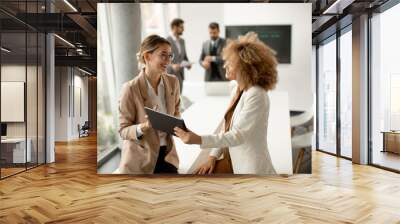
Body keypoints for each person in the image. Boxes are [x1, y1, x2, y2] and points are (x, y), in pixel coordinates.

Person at [174, 32, 278, 175]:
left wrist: (198, 139)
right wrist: (212, 156)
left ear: (244, 66)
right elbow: (226, 128)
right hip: (235, 164)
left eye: (230, 62)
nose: (225, 66)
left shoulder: (257, 94)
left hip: (252, 169)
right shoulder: (237, 88)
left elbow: (237, 135)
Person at [117, 34, 181, 174]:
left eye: (170, 56)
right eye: (163, 55)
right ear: (147, 57)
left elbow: (176, 112)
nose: (168, 61)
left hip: (168, 155)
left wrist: (177, 126)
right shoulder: (130, 88)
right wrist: (143, 127)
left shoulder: (173, 82)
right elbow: (123, 130)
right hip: (141, 159)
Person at [167, 18, 191, 93]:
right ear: (174, 27)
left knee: (179, 98)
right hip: (170, 74)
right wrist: (172, 66)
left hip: (180, 74)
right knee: (170, 99)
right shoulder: (166, 41)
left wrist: (188, 63)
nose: (183, 29)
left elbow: (184, 56)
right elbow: (162, 59)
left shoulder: (182, 41)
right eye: (181, 27)